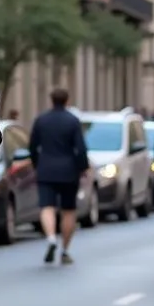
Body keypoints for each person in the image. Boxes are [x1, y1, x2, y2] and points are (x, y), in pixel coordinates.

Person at [29, 87, 89, 265]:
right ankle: (64, 250)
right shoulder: (73, 121)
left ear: (51, 100)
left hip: (46, 169)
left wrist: (36, 164)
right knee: (68, 210)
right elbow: (80, 149)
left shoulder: (41, 120)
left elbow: (32, 146)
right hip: (68, 171)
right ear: (67, 100)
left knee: (47, 206)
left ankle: (51, 238)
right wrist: (82, 168)